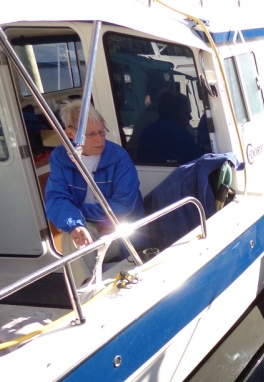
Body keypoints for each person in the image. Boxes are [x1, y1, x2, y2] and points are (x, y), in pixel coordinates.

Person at [45, 100, 144, 285]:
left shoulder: (119, 156)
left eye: (101, 132)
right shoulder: (60, 158)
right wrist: (76, 224)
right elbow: (57, 198)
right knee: (73, 235)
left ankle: (87, 291)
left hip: (120, 229)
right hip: (89, 226)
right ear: (70, 133)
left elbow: (123, 204)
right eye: (90, 134)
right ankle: (87, 288)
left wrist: (81, 215)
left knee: (77, 234)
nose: (99, 139)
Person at [136, 90, 205, 165]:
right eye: (186, 113)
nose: (190, 117)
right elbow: (198, 162)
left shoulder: (148, 131)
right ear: (171, 112)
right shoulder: (179, 135)